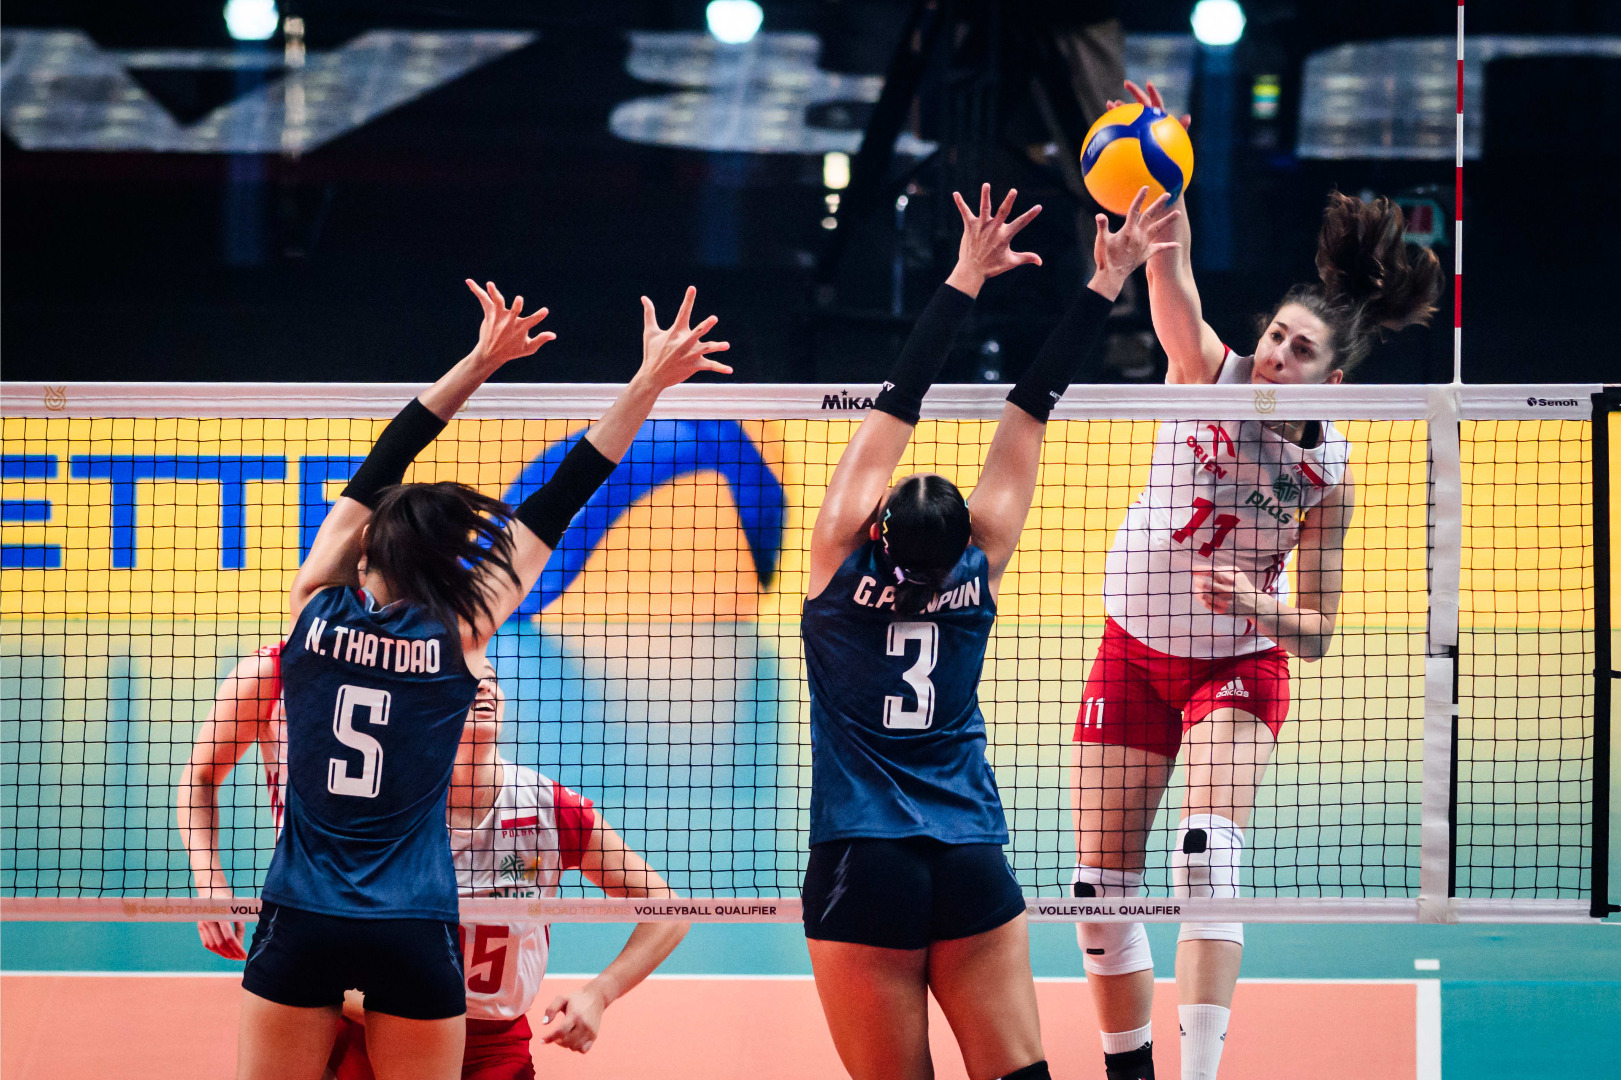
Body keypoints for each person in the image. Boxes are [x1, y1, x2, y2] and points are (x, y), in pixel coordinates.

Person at [237, 279, 730, 1080]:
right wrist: (646, 382)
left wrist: (476, 363)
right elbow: (563, 495)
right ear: (448, 568)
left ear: (366, 553)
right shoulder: (461, 633)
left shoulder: (311, 610)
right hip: (411, 925)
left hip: (301, 913)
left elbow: (381, 462)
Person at [1068, 81, 1442, 1080]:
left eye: (1298, 349)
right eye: (1275, 335)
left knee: (1205, 859)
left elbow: (1313, 635)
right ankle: (1128, 1069)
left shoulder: (1329, 474)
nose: (1276, 354)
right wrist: (1165, 171)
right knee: (1096, 894)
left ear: (1331, 380)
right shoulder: (1206, 372)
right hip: (1130, 650)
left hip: (1233, 669)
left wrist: (1256, 605)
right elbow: (1170, 269)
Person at [800, 182, 1179, 1080]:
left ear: (874, 526)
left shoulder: (834, 566)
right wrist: (1106, 280)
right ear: (963, 534)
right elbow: (1031, 405)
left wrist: (964, 274)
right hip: (968, 852)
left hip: (860, 860)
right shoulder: (980, 567)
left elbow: (897, 398)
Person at [326, 665, 689, 1079]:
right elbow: (318, 930)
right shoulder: (386, 808)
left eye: (492, 678)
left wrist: (600, 993)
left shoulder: (549, 808)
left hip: (494, 1047)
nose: (484, 685)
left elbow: (668, 910)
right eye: (466, 677)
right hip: (385, 1027)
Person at [179, 641, 287, 962]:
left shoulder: (417, 673)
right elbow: (201, 777)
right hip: (302, 902)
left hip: (407, 908)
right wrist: (209, 881)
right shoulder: (272, 672)